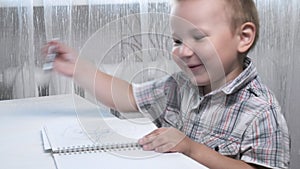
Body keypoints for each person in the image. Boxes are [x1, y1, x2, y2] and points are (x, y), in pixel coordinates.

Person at [43, 0, 290, 168]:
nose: (182, 51)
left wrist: (190, 149)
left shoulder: (261, 111)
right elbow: (127, 96)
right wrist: (78, 68)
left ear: (243, 37)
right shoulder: (178, 85)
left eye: (198, 37)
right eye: (176, 40)